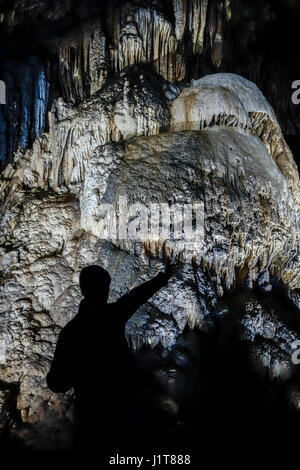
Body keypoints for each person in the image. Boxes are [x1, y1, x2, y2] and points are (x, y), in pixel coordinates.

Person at [46, 262, 177, 453]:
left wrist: (77, 372)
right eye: (105, 288)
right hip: (120, 407)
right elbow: (135, 297)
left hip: (90, 414)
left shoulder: (70, 333)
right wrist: (161, 278)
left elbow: (56, 383)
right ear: (99, 290)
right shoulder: (113, 315)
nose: (107, 293)